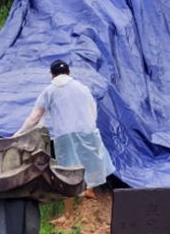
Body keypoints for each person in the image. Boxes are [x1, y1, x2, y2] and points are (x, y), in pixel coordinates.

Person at [14, 59, 115, 193]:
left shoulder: (49, 91)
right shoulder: (82, 88)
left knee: (68, 168)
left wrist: (19, 133)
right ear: (68, 72)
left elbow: (34, 118)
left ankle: (72, 201)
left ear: (52, 74)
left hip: (64, 135)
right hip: (87, 130)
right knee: (92, 160)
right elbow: (92, 109)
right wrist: (90, 125)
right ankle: (90, 189)